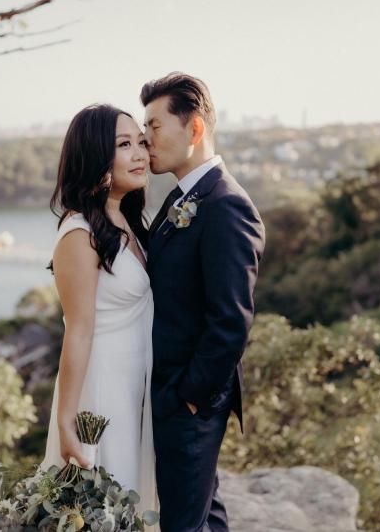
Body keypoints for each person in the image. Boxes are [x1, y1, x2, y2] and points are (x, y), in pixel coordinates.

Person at [142, 72, 266, 532]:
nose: (145, 138)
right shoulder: (185, 196)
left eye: (154, 126)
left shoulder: (225, 204)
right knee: (202, 518)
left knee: (183, 525)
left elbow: (231, 322)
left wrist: (188, 400)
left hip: (189, 405)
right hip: (171, 397)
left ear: (194, 129)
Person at [40, 103, 159, 521]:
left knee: (129, 509)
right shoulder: (79, 233)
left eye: (141, 142)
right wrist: (68, 422)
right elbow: (79, 331)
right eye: (125, 145)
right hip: (102, 392)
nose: (141, 154)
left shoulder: (126, 221)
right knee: (105, 506)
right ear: (95, 157)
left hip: (134, 387)